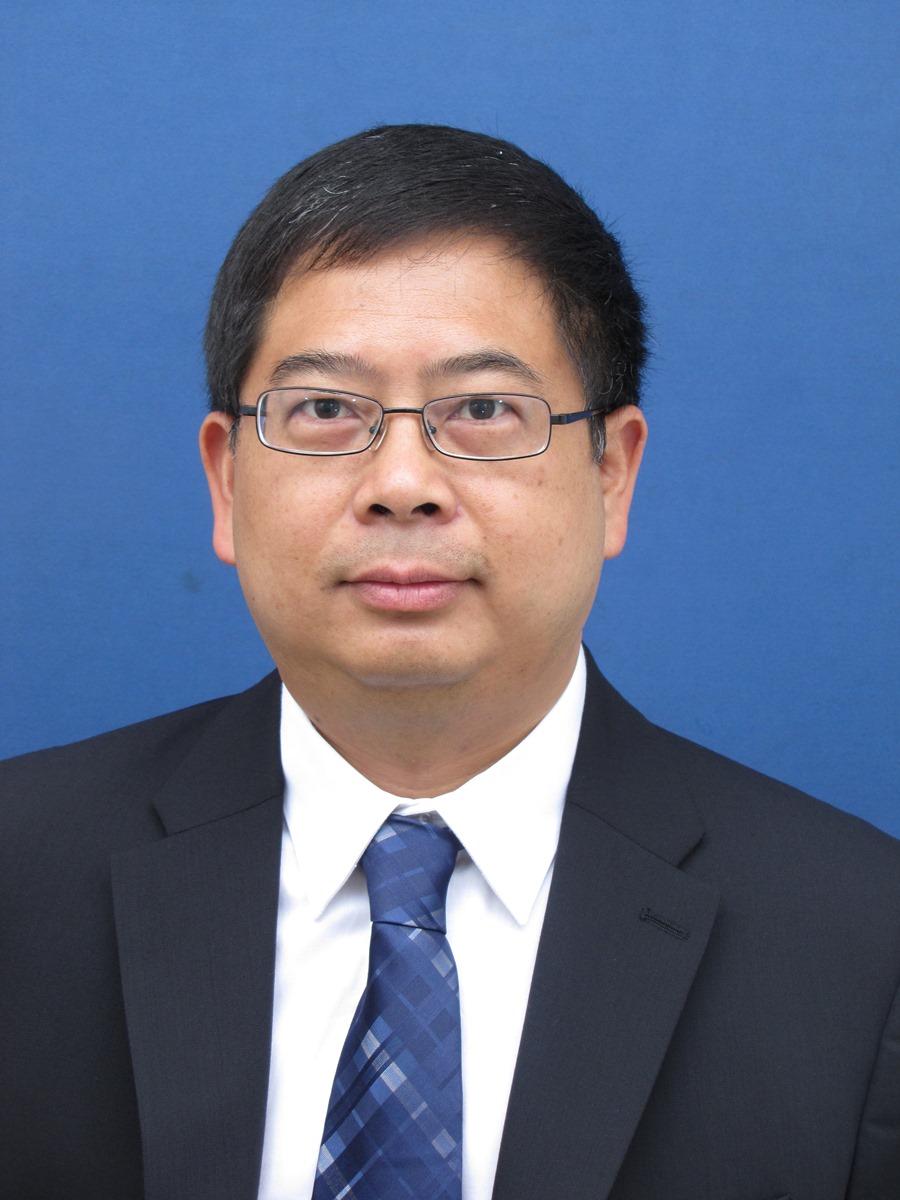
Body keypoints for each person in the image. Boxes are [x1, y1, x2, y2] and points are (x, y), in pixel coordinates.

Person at [1, 124, 898, 1200]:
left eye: (482, 410)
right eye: (325, 409)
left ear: (611, 474)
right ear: (227, 480)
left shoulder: (863, 944)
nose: (402, 484)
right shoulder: (20, 877)